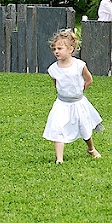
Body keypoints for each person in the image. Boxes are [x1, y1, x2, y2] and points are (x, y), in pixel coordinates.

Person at [42, 29, 104, 163]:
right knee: (57, 127)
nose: (56, 51)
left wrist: (79, 91)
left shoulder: (79, 65)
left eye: (60, 48)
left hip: (78, 102)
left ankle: (91, 148)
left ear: (70, 49)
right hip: (61, 103)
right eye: (54, 49)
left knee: (84, 127)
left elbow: (89, 80)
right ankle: (59, 158)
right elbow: (56, 83)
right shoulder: (53, 69)